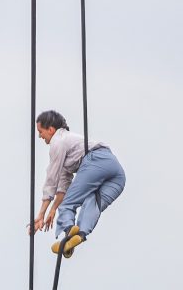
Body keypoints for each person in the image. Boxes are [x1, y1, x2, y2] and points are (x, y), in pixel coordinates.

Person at [32, 110, 126, 257]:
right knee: (93, 202)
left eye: (40, 131)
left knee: (68, 205)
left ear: (51, 129)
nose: (39, 136)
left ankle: (69, 231)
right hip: (116, 174)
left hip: (96, 160)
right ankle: (80, 235)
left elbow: (52, 179)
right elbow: (62, 187)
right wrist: (52, 210)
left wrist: (41, 214)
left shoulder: (58, 141)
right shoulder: (69, 147)